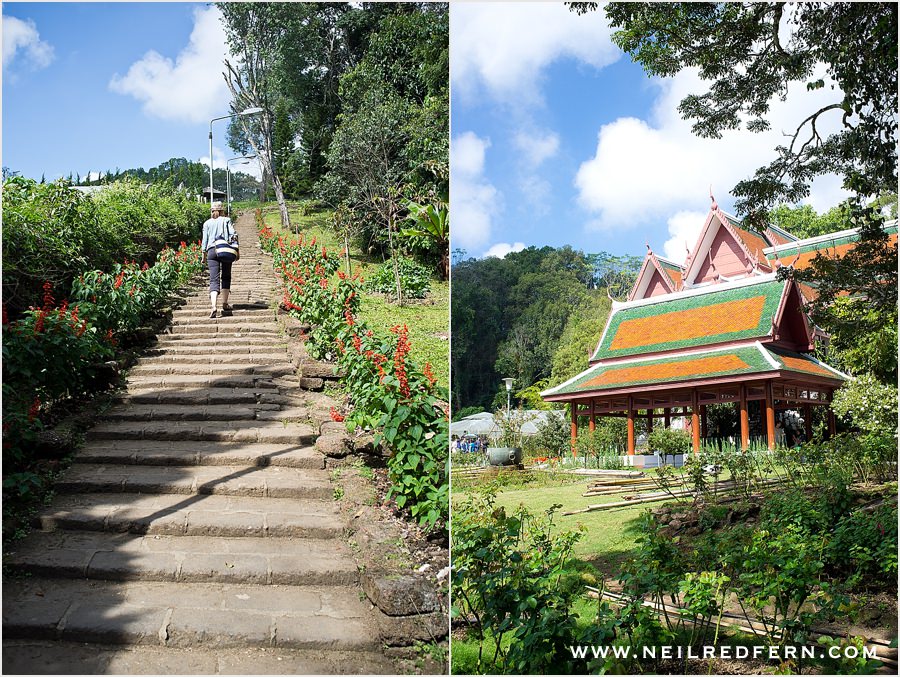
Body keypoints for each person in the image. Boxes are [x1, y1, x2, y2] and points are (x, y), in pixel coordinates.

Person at [200, 201, 238, 318]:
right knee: (226, 276)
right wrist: (237, 251)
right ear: (222, 211)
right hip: (225, 249)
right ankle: (225, 303)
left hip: (211, 251)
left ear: (211, 211)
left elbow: (204, 240)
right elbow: (233, 235)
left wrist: (203, 256)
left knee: (213, 279)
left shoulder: (207, 223)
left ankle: (213, 306)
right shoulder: (226, 220)